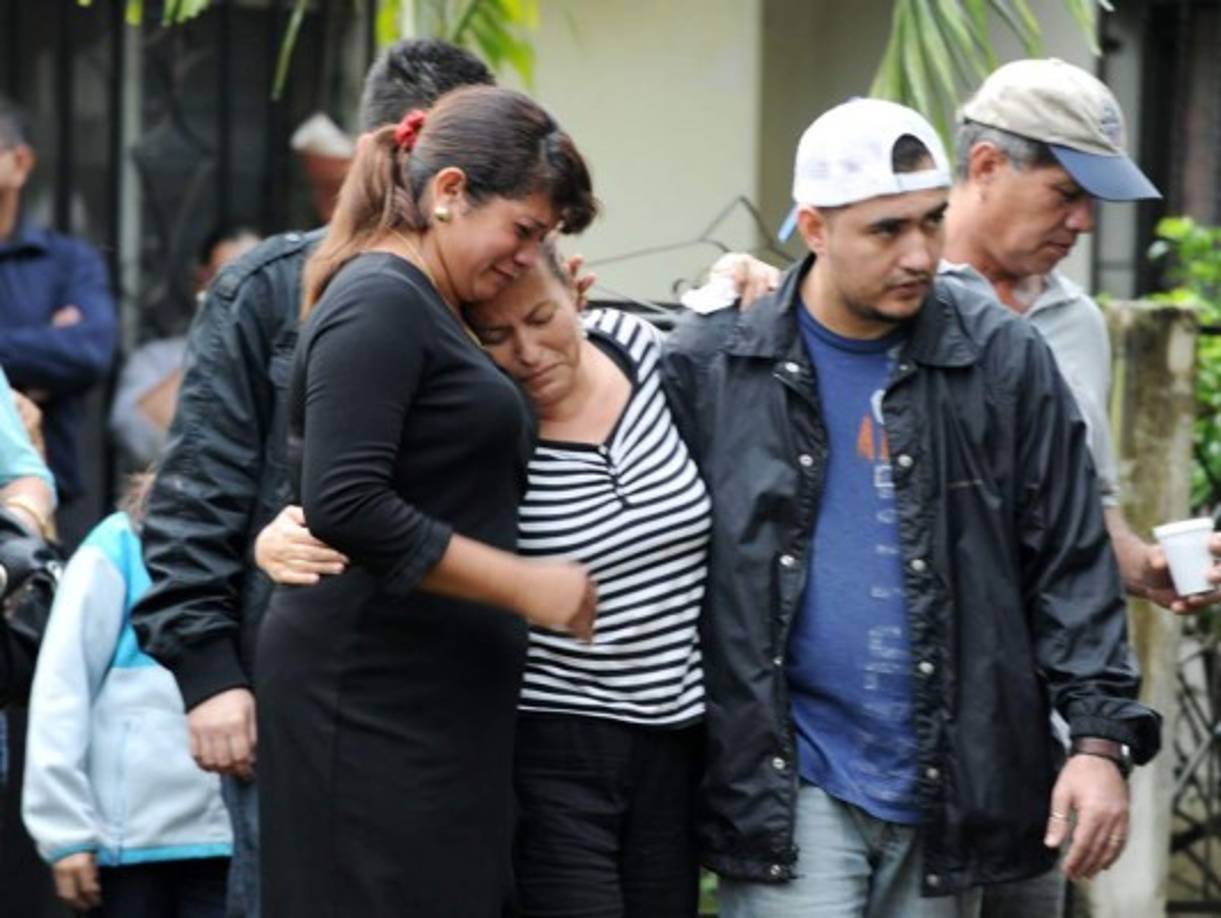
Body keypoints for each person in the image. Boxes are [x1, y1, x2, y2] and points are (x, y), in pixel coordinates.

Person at [723, 60, 1212, 916]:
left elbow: (1068, 529)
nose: (1082, 221)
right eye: (1063, 192)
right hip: (821, 759)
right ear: (985, 167)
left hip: (1010, 750)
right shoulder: (762, 335)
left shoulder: (1055, 332)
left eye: (928, 223)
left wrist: (1137, 578)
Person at [129, 39, 496, 918]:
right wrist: (210, 674)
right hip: (300, 699)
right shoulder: (268, 287)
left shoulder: (499, 281)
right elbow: (194, 493)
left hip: (459, 694)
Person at [259, 243, 711, 915]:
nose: (528, 351)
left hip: (674, 739)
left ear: (578, 296)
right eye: (496, 336)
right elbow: (361, 508)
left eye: (543, 318)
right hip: (547, 741)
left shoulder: (643, 350)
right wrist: (274, 536)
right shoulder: (479, 432)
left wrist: (742, 276)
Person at [256, 85, 598, 917]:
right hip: (368, 699)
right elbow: (344, 500)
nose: (528, 255)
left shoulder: (432, 304)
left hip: (430, 701)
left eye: (543, 239)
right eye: (522, 230)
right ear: (448, 193)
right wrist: (522, 584)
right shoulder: (380, 298)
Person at [21, 473, 231, 918]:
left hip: (235, 838)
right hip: (128, 843)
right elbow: (62, 686)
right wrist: (64, 831)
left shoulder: (269, 541)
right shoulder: (119, 542)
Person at [0, 95, 117, 544]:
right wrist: (42, 343)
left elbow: (89, 352)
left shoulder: (68, 262)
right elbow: (63, 354)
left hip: (50, 500)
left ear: (21, 161)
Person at [109, 226, 261, 469]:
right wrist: (216, 338)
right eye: (228, 278)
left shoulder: (285, 356)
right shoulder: (156, 359)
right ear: (201, 281)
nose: (242, 294)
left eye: (256, 280)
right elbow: (139, 439)